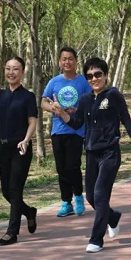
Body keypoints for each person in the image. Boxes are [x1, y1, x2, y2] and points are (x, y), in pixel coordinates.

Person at [50, 57, 131, 253]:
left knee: (101, 195)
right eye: (90, 76)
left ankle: (96, 239)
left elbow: (127, 120)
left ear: (105, 75)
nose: (94, 79)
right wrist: (61, 113)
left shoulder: (113, 95)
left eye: (98, 74)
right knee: (92, 197)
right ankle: (112, 217)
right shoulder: (85, 99)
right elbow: (76, 123)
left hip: (110, 152)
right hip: (92, 153)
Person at [0, 56, 38, 246]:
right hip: (3, 146)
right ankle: (29, 211)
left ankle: (12, 232)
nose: (11, 72)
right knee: (6, 191)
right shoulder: (0, 94)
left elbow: (32, 122)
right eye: (8, 68)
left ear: (22, 71)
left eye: (15, 69)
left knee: (15, 188)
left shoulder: (28, 96)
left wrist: (26, 140)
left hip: (20, 146)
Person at [41, 47, 91, 217]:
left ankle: (78, 196)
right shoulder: (54, 82)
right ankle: (66, 202)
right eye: (64, 59)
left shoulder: (83, 82)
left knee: (73, 166)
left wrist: (77, 110)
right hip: (58, 130)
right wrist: (54, 109)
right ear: (59, 62)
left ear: (76, 61)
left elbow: (90, 102)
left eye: (70, 59)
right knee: (61, 167)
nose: (67, 62)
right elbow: (43, 102)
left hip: (76, 130)